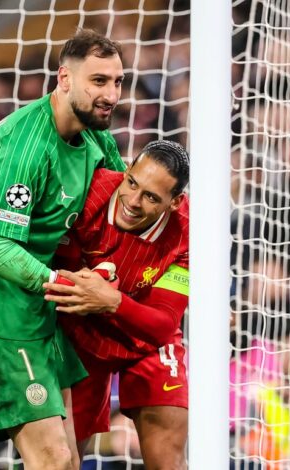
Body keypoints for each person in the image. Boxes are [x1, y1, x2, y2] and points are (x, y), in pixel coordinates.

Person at [0, 29, 126, 469]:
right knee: (54, 460)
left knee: (68, 460)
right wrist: (63, 283)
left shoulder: (98, 140)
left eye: (117, 81)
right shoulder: (25, 147)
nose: (112, 94)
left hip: (40, 313)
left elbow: (121, 217)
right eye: (98, 81)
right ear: (64, 78)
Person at [44, 140, 190, 469]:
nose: (133, 202)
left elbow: (164, 323)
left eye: (152, 197)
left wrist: (113, 301)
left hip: (145, 336)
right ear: (126, 171)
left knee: (167, 460)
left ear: (175, 202)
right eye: (133, 183)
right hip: (80, 335)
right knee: (62, 460)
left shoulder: (188, 231)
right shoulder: (87, 196)